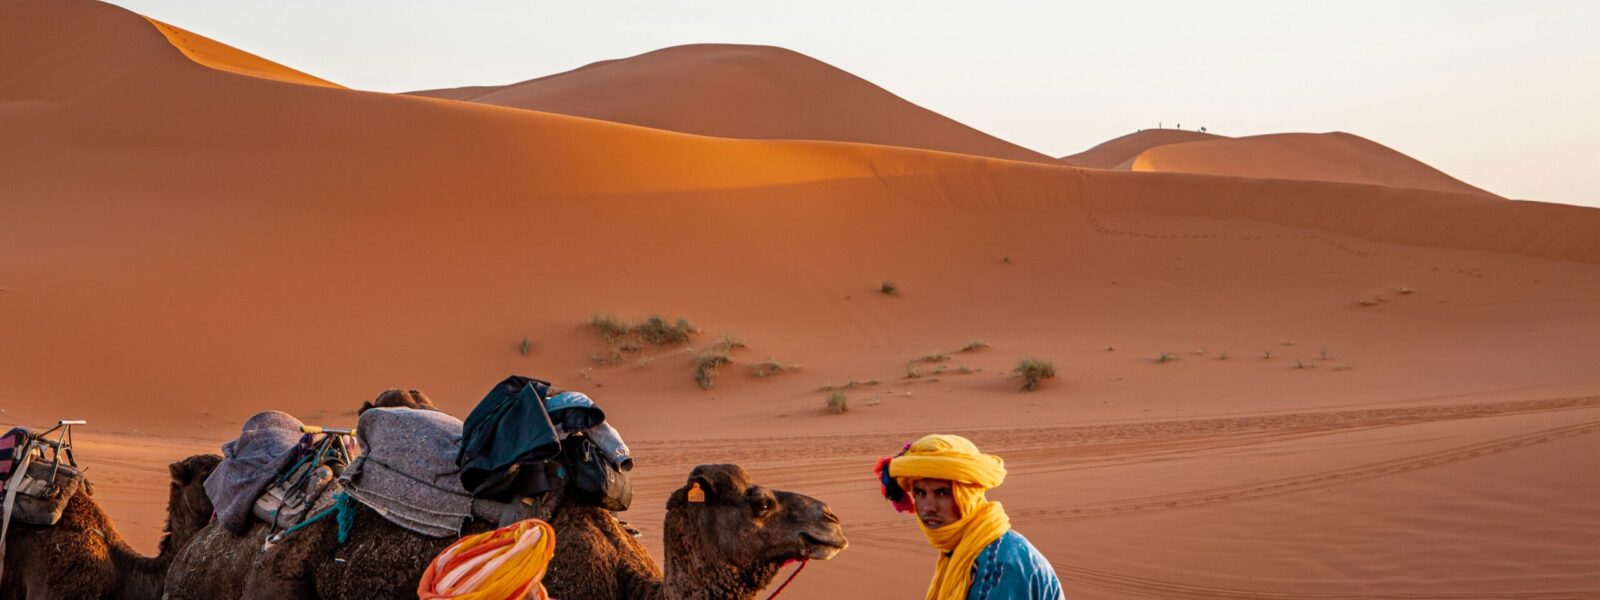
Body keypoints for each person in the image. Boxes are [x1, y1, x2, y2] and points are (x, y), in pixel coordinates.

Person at [875, 434, 1064, 599]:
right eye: (920, 493)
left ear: (968, 496)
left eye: (942, 493)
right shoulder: (965, 550)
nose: (928, 507)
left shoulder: (1000, 564)